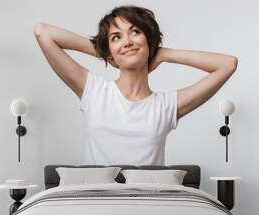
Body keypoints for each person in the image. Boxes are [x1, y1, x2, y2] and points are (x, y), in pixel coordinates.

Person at [34, 5, 238, 165]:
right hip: (97, 203)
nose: (127, 41)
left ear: (149, 41)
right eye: (116, 37)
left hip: (146, 205)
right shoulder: (94, 91)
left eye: (135, 32)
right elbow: (43, 32)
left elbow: (227, 64)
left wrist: (165, 54)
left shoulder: (166, 106)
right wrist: (107, 53)